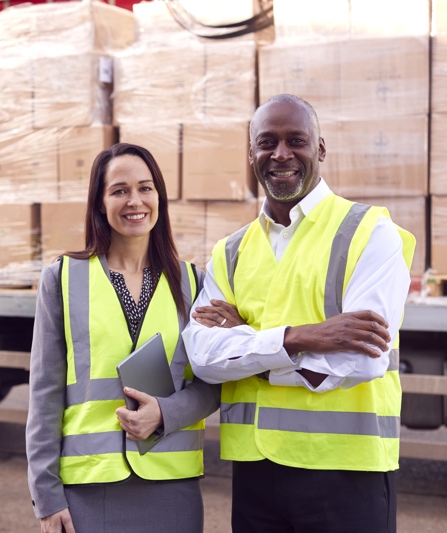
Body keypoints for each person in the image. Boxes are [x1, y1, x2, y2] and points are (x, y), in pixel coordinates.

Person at [185, 94, 416, 533]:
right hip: (256, 475)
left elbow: (362, 359)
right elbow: (203, 357)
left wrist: (249, 355)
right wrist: (298, 338)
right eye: (267, 142)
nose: (281, 154)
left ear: (321, 149)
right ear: (250, 153)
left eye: (297, 140)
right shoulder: (229, 252)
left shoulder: (371, 233)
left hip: (347, 473)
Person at [26, 143, 220, 533]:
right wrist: (46, 496)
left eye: (145, 188)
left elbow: (213, 384)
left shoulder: (193, 283)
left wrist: (166, 414)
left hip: (172, 483)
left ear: (159, 197)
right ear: (100, 203)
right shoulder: (62, 279)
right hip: (90, 486)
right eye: (119, 191)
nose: (135, 201)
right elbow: (44, 394)